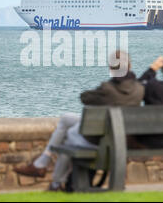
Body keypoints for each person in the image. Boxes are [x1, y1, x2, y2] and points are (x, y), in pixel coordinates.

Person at [13, 50, 144, 190]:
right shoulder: (139, 89)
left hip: (101, 140)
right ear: (129, 66)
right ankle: (43, 165)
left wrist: (104, 88)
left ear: (111, 67)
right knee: (66, 120)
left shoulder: (107, 88)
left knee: (68, 136)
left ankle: (54, 181)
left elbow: (85, 98)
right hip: (118, 138)